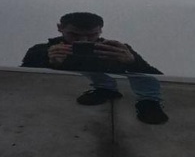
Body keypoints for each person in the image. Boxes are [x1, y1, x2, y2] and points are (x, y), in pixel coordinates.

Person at [21, 12, 169, 125]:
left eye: (91, 35)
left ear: (100, 31)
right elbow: (21, 80)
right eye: (74, 34)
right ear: (60, 28)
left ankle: (147, 103)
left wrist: (132, 61)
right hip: (54, 110)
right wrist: (50, 61)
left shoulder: (115, 50)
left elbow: (159, 78)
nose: (83, 40)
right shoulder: (41, 50)